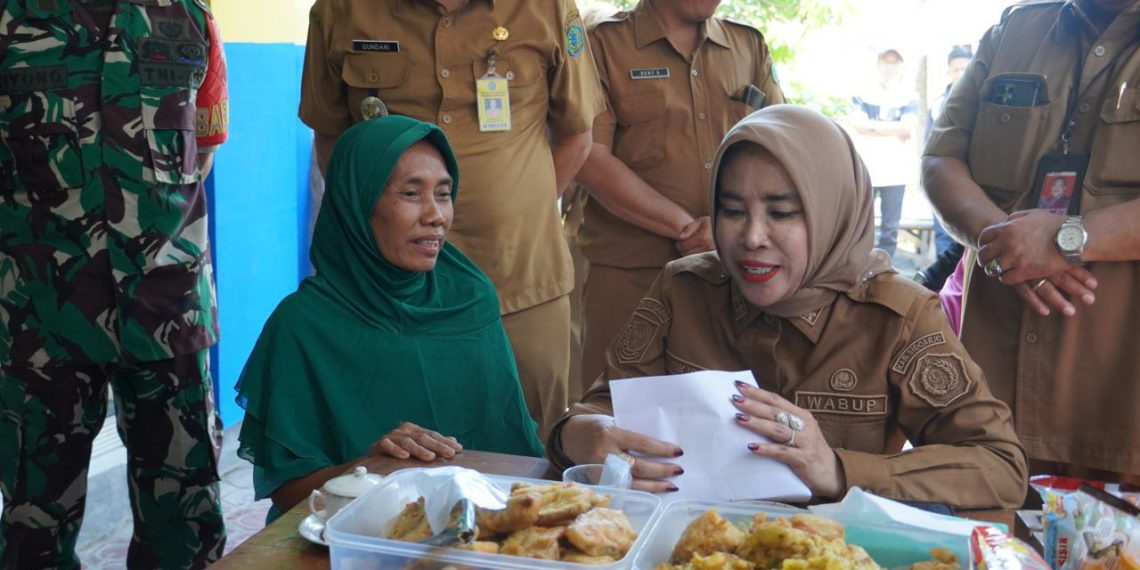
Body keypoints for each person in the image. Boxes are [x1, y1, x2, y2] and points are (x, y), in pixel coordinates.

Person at [550, 106, 1028, 510]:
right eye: (732, 211)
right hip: (686, 546)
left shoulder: (897, 318)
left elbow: (1000, 465)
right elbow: (603, 408)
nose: (752, 237)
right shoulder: (685, 290)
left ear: (832, 213)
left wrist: (838, 469)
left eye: (781, 213)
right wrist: (580, 435)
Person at [300, 0, 605, 439]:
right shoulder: (341, 10)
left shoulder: (548, 7)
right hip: (393, 295)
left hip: (520, 285)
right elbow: (332, 138)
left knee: (531, 451)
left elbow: (578, 135)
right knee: (402, 451)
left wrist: (520, 208)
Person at [0, 1, 229, 567]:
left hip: (169, 307)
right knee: (35, 525)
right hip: (40, 312)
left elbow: (205, 144)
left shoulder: (188, 14)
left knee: (185, 522)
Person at [236, 116, 545, 520]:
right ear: (359, 203)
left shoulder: (470, 299)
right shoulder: (303, 324)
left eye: (444, 194)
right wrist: (373, 468)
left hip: (473, 528)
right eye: (411, 193)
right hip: (342, 533)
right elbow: (288, 492)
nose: (436, 215)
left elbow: (513, 450)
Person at [923, 0, 1140, 483]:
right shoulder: (1015, 32)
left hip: (1121, 409)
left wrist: (1066, 240)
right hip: (989, 408)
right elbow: (940, 159)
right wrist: (1007, 245)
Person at [574, 0, 785, 389]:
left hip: (733, 275)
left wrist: (726, 233)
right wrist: (689, 229)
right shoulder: (603, 44)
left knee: (728, 407)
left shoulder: (747, 45)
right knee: (620, 404)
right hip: (632, 274)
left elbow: (781, 145)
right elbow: (589, 158)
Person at [847, 48, 919, 259]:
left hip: (896, 172)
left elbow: (907, 126)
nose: (890, 67)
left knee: (890, 228)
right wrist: (894, 129)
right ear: (878, 65)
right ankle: (858, 266)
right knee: (860, 224)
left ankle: (885, 268)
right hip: (866, 170)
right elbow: (857, 124)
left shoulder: (909, 96)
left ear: (901, 67)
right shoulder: (862, 93)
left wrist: (872, 127)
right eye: (886, 62)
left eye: (895, 63)